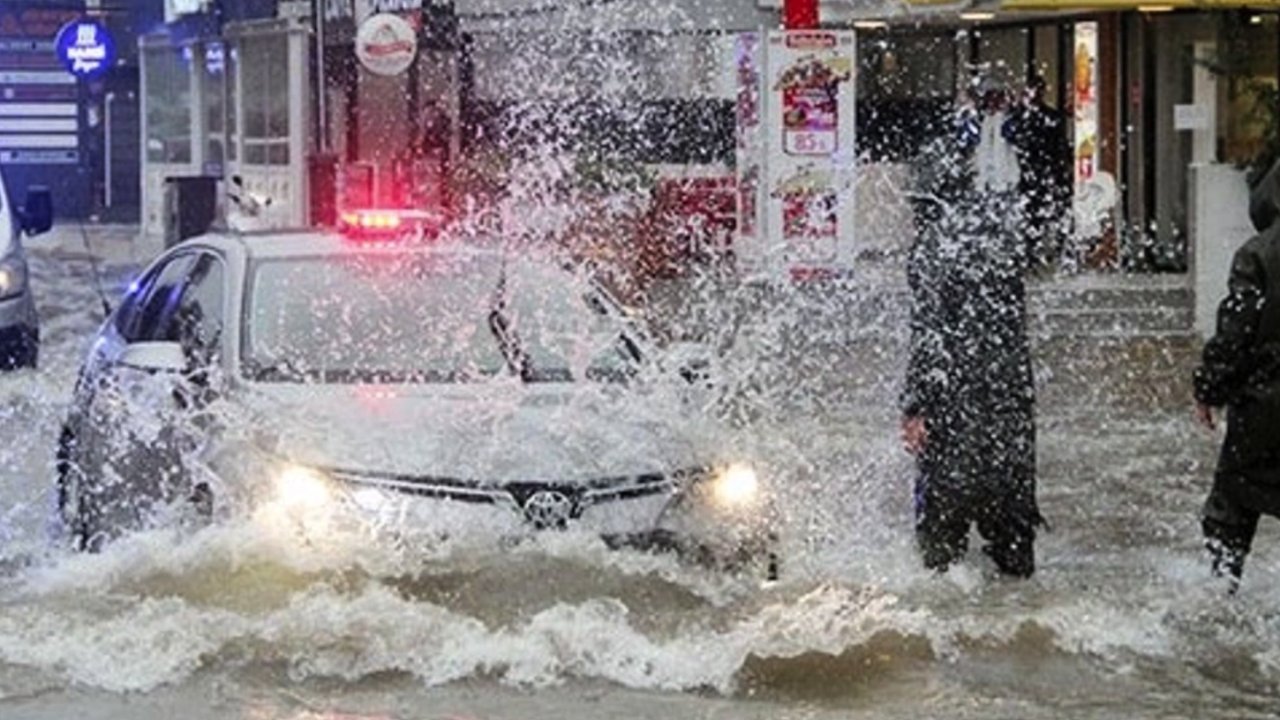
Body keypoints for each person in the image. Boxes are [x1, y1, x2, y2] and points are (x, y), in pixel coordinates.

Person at [901, 88, 1043, 578]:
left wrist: (915, 407)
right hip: (1011, 416)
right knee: (1015, 556)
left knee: (940, 562)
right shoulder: (1001, 241)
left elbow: (931, 336)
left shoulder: (930, 250)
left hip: (955, 419)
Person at [1194, 159, 1280, 593]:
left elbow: (1235, 333)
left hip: (1265, 407)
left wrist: (1208, 389)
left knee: (1231, 507)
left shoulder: (1258, 253)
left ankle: (1219, 598)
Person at [1004, 75, 1071, 266]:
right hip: (1033, 171)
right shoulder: (1024, 116)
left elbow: (1058, 146)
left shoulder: (1045, 116)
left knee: (1041, 212)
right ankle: (1035, 251)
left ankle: (1042, 251)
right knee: (1034, 213)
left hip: (1041, 170)